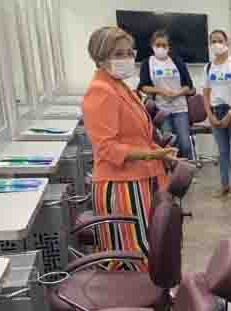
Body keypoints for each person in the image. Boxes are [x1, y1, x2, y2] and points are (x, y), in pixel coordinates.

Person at [82, 26, 175, 273]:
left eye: (129, 52)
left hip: (140, 178)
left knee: (146, 246)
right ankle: (133, 306)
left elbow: (138, 135)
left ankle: (145, 300)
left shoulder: (121, 86)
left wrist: (157, 150)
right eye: (118, 53)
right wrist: (151, 154)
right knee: (132, 253)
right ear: (101, 57)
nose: (126, 59)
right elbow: (106, 148)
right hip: (121, 184)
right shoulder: (100, 91)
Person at [203, 29, 231, 197]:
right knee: (222, 151)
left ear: (227, 42)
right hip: (216, 111)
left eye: (220, 40)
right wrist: (210, 115)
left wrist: (230, 115)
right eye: (213, 41)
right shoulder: (208, 67)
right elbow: (206, 94)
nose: (217, 44)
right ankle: (224, 185)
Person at [138, 30, 195, 160]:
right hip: (161, 110)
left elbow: (189, 86)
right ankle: (172, 173)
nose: (161, 48)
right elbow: (143, 87)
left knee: (185, 144)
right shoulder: (147, 63)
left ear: (169, 47)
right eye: (158, 45)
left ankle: (188, 170)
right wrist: (161, 91)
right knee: (169, 143)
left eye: (164, 45)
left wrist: (177, 93)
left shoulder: (177, 61)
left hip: (180, 108)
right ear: (152, 45)